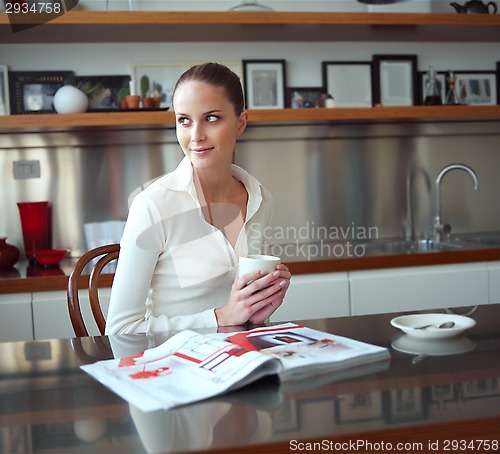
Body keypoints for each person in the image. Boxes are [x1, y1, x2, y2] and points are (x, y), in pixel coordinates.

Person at [105, 62, 291, 334]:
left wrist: (257, 306)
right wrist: (220, 317)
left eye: (211, 118)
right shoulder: (153, 206)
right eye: (184, 120)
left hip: (240, 360)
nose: (196, 136)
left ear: (241, 123)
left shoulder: (260, 199)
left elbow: (237, 313)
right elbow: (119, 330)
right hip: (176, 368)